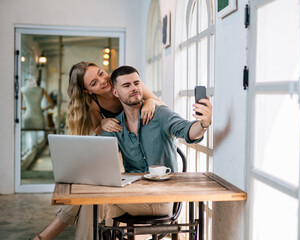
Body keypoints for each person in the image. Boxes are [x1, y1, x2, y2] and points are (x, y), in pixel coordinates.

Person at [74, 65, 212, 239]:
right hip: (132, 195)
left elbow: (187, 130)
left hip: (162, 198)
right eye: (126, 86)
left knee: (94, 205)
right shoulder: (114, 126)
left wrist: (203, 124)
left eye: (136, 83)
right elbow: (100, 161)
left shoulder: (160, 114)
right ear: (115, 93)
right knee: (90, 206)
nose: (134, 88)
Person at [33, 62, 164, 240]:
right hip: (119, 147)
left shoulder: (125, 84)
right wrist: (102, 122)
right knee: (90, 188)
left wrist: (149, 101)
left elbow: (160, 104)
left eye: (101, 73)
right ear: (88, 91)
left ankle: (46, 236)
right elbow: (97, 127)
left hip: (138, 148)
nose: (103, 81)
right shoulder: (94, 103)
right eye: (94, 83)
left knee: (91, 193)